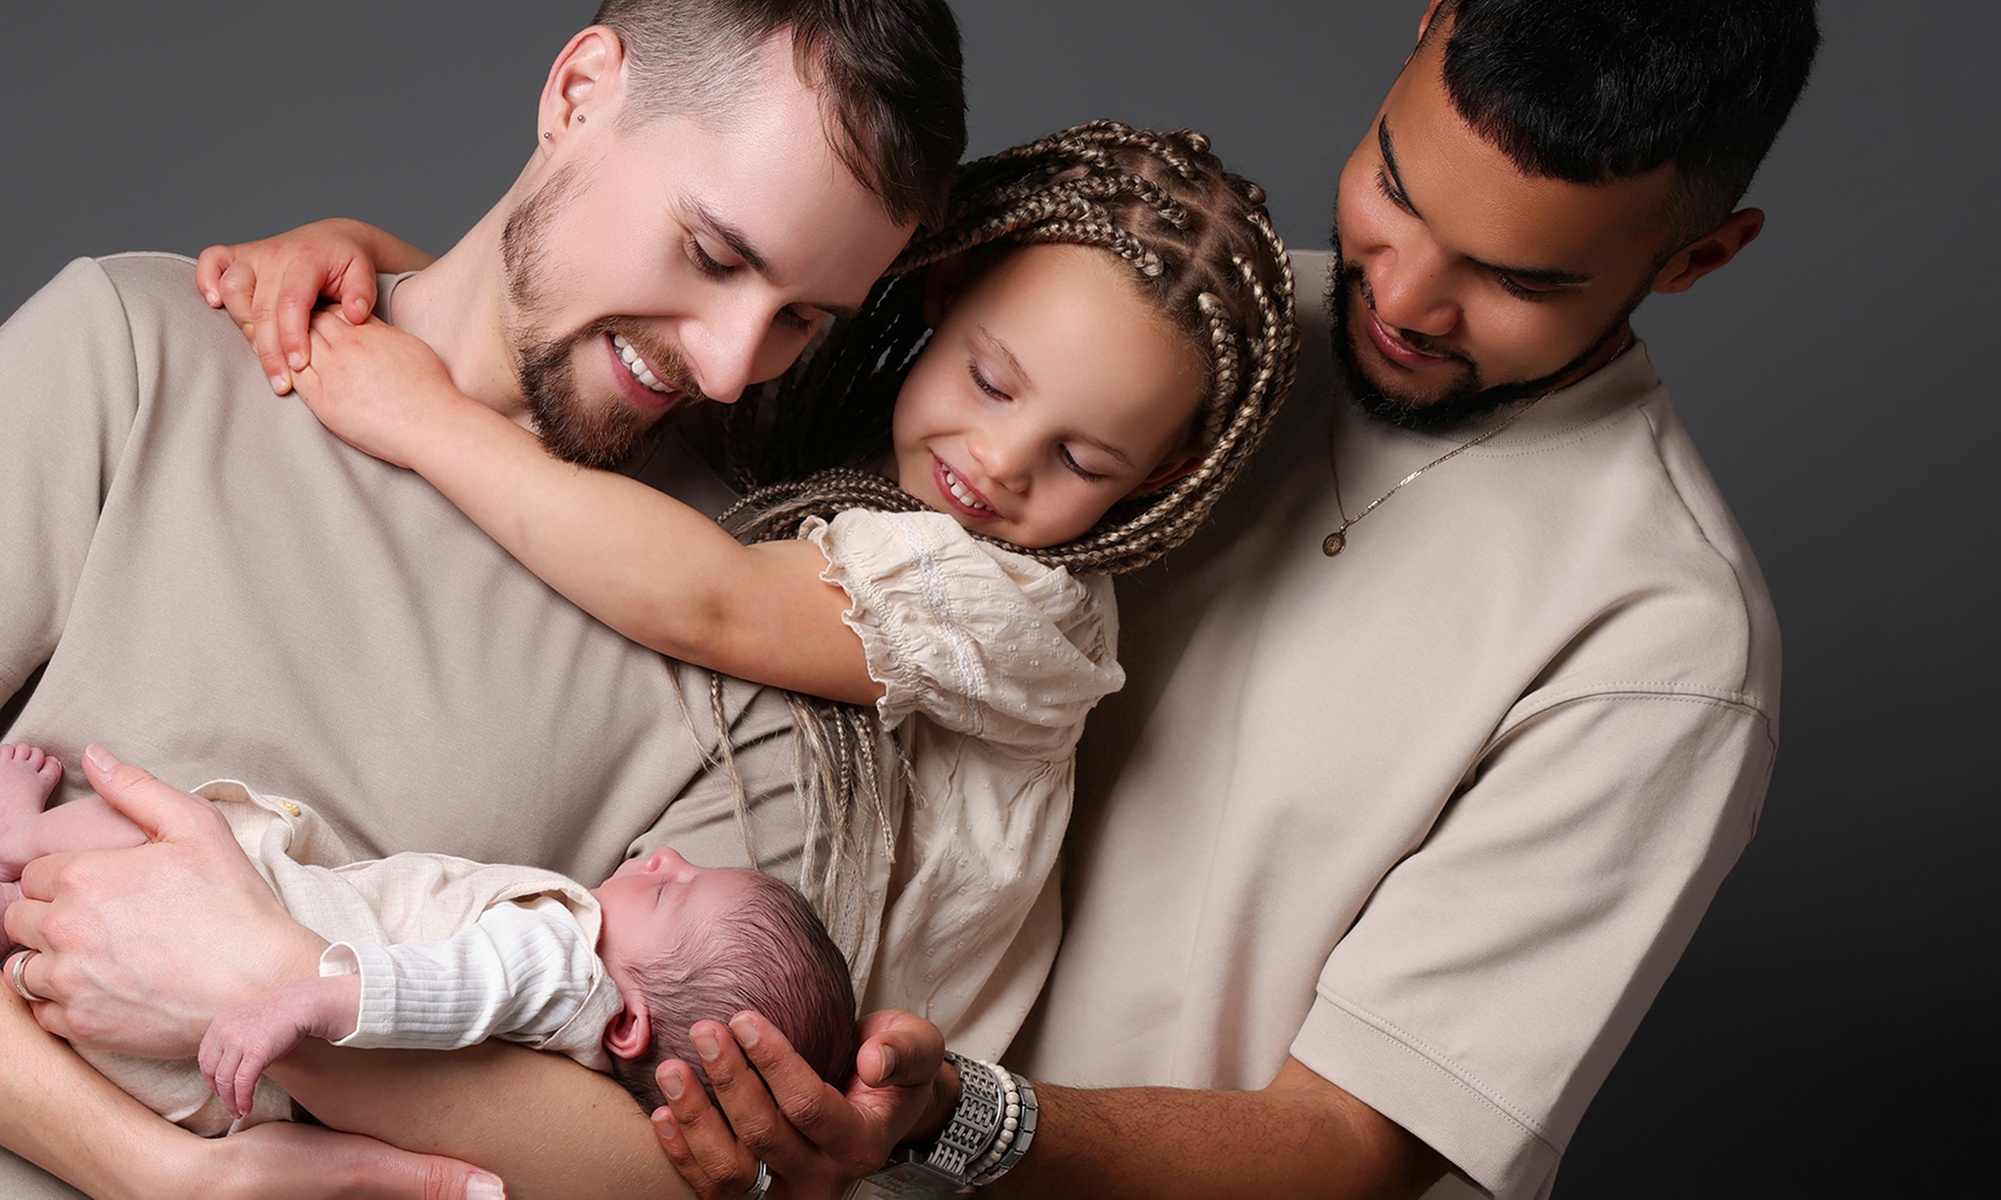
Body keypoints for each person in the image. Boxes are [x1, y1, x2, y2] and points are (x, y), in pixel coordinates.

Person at [628, 2, 1820, 1198]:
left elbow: (1358, 1143)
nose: (1404, 297)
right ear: (1425, 26)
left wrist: (948, 1118)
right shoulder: (1168, 323)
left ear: (1697, 258)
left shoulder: (1663, 645)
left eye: (1515, 279)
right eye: (1398, 194)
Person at [0, 1, 964, 1197]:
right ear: (577, 96)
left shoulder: (752, 649)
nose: (725, 365)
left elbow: (677, 1179)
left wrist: (268, 975)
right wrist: (156, 1172)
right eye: (715, 255)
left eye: (800, 322)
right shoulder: (138, 353)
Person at [261, 118, 1296, 1059]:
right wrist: (370, 260)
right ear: (948, 287)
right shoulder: (841, 423)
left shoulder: (1022, 612)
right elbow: (618, 337)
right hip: (635, 983)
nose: (999, 461)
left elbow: (712, 600)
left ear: (1157, 476)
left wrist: (422, 418)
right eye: (990, 383)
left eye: (1081, 460)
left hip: (800, 1093)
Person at [0, 742, 854, 1135]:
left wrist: (303, 1002)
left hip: (274, 959)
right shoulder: (568, 1071)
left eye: (673, 894)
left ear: (629, 1025)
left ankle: (17, 842)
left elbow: (449, 988)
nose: (665, 859)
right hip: (219, 1091)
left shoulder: (560, 963)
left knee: (142, 832)